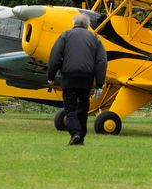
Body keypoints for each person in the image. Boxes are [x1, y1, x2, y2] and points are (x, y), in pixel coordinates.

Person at [46, 13, 107, 146]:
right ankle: (80, 137)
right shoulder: (95, 39)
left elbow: (55, 56)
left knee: (70, 108)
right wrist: (99, 83)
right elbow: (101, 61)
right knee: (83, 107)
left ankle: (76, 134)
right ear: (88, 25)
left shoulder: (65, 35)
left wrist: (50, 76)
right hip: (87, 78)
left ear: (74, 23)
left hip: (69, 76)